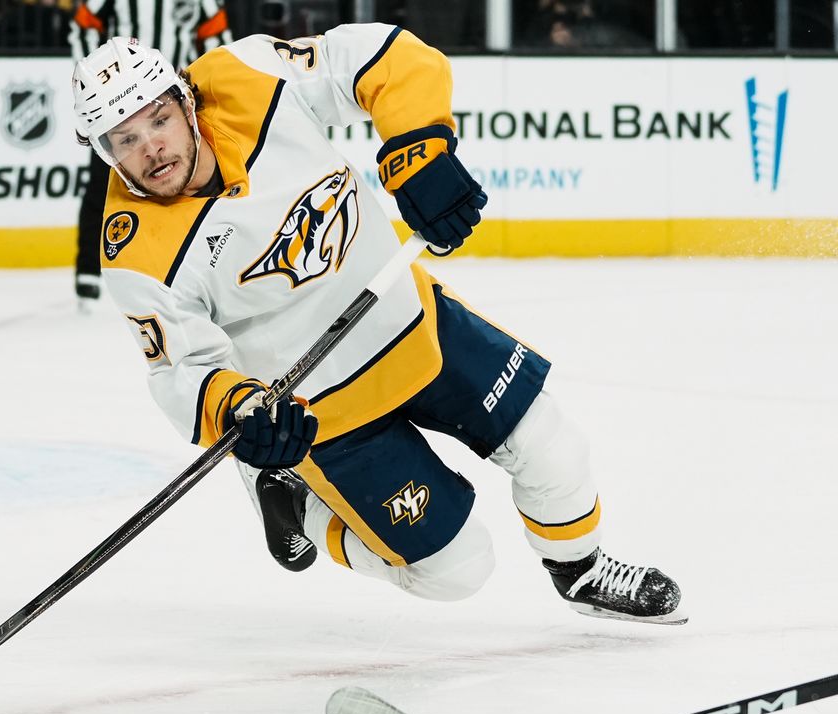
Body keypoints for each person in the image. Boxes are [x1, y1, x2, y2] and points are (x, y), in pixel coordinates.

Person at [70, 28, 685, 624]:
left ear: (185, 99)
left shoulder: (245, 77)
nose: (149, 149)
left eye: (157, 120)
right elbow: (182, 369)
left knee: (554, 446)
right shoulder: (135, 253)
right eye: (121, 140)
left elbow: (386, 57)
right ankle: (295, 500)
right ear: (103, 153)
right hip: (322, 411)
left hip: (416, 327)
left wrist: (419, 151)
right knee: (457, 571)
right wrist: (239, 412)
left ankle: (582, 571)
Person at [68, 0, 230, 312]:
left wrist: (202, 88)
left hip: (171, 102)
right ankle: (89, 268)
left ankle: (202, 267)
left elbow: (216, 37)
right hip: (118, 113)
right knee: (103, 188)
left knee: (200, 180)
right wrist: (94, 89)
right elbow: (83, 26)